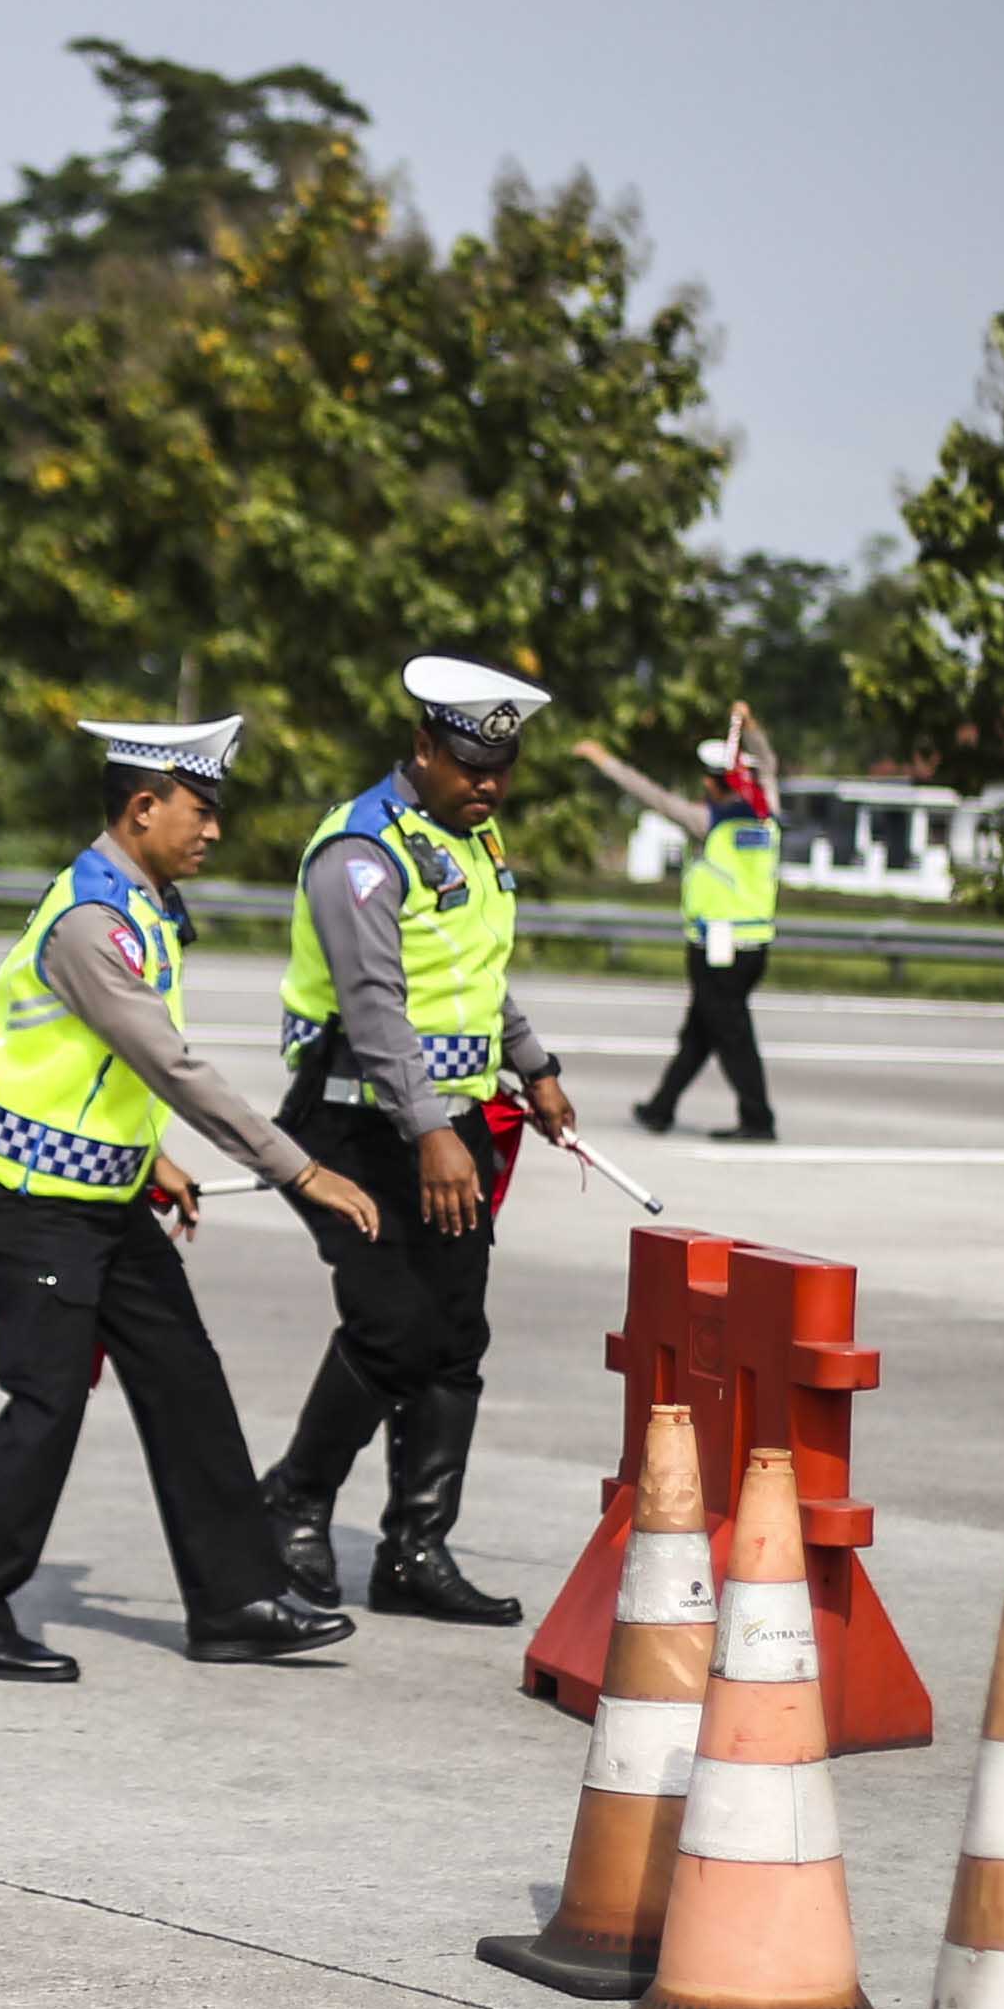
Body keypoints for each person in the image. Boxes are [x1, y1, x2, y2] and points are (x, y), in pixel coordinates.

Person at [0, 715, 386, 1682]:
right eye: (199, 810)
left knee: (186, 1381)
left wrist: (153, 1156)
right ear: (142, 808)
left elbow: (104, 1069)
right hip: (40, 1205)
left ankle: (235, 1602)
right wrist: (299, 1169)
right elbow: (170, 1064)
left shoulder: (143, 902)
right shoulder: (93, 923)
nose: (214, 829)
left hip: (106, 1196)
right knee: (45, 1407)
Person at [255, 655, 576, 1626]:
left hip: (450, 1123)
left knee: (454, 1334)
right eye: (472, 765)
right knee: (393, 1324)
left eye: (502, 767)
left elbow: (474, 976)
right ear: (424, 746)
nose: (489, 784)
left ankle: (415, 1548)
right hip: (355, 1124)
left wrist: (534, 1064)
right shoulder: (360, 850)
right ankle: (291, 1503)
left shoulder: (470, 840)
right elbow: (373, 1006)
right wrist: (431, 1128)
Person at [617, 704, 782, 1142]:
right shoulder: (766, 816)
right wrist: (751, 728)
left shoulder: (708, 822)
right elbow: (768, 765)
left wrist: (605, 762)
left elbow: (653, 797)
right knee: (700, 1032)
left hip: (717, 948)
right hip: (754, 945)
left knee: (731, 1036)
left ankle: (758, 1119)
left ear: (712, 782)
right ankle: (660, 1108)